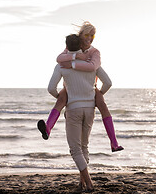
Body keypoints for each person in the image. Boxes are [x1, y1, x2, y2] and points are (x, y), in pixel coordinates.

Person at [37, 21, 123, 152]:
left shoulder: (94, 52)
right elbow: (59, 58)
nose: (90, 38)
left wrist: (97, 92)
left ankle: (114, 143)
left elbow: (93, 67)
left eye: (92, 36)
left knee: (103, 106)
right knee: (61, 100)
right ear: (81, 35)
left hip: (91, 87)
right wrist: (76, 56)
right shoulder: (71, 48)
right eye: (87, 35)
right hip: (71, 86)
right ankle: (47, 129)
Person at [46, 34, 112, 191]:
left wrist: (62, 98)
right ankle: (82, 182)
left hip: (74, 109)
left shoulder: (62, 65)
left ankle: (89, 183)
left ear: (66, 47)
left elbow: (51, 88)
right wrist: (98, 94)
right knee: (83, 146)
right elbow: (108, 83)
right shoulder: (91, 63)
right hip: (90, 109)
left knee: (75, 149)